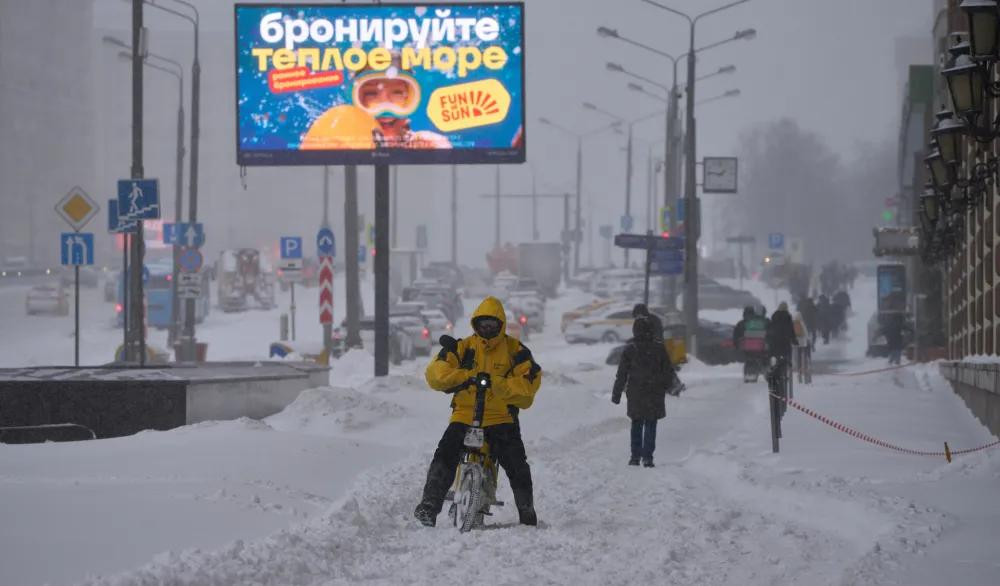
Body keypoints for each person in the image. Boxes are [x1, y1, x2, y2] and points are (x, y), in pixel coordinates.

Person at [415, 296, 542, 528]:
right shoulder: (462, 348)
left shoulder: (516, 351)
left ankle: (526, 509)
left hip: (501, 418)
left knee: (516, 463)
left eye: (493, 325)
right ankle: (429, 506)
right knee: (445, 454)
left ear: (501, 325)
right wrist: (465, 376)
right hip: (464, 415)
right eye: (484, 324)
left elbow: (528, 386)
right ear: (476, 324)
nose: (488, 329)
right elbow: (435, 374)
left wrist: (497, 383)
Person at [611, 317, 671, 468]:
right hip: (654, 391)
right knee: (651, 423)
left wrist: (616, 394)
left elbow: (622, 374)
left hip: (636, 391)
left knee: (636, 422)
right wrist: (667, 386)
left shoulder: (630, 350)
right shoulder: (659, 349)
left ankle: (635, 456)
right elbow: (667, 371)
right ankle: (648, 457)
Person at [767, 302, 798, 391]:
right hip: (785, 341)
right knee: (786, 358)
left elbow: (771, 328)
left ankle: (774, 373)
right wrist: (794, 340)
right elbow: (791, 329)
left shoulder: (774, 316)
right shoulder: (788, 316)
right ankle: (784, 372)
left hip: (774, 341)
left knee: (777, 358)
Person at [733, 305, 769, 378]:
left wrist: (736, 346)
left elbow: (736, 336)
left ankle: (750, 372)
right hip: (761, 348)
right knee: (766, 355)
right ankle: (765, 368)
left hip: (746, 349)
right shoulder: (765, 322)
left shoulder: (742, 323)